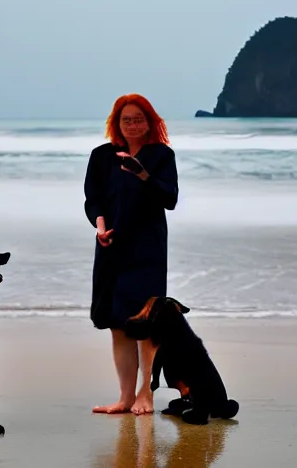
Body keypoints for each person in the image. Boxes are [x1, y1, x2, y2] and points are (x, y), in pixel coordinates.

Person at [86, 94, 178, 416]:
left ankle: (146, 394)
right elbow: (92, 200)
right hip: (112, 245)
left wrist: (142, 174)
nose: (133, 124)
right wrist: (99, 228)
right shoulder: (101, 156)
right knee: (118, 323)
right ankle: (125, 397)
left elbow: (170, 198)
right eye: (127, 119)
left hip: (148, 247)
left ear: (149, 121)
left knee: (146, 324)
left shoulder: (162, 155)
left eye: (139, 119)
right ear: (117, 122)